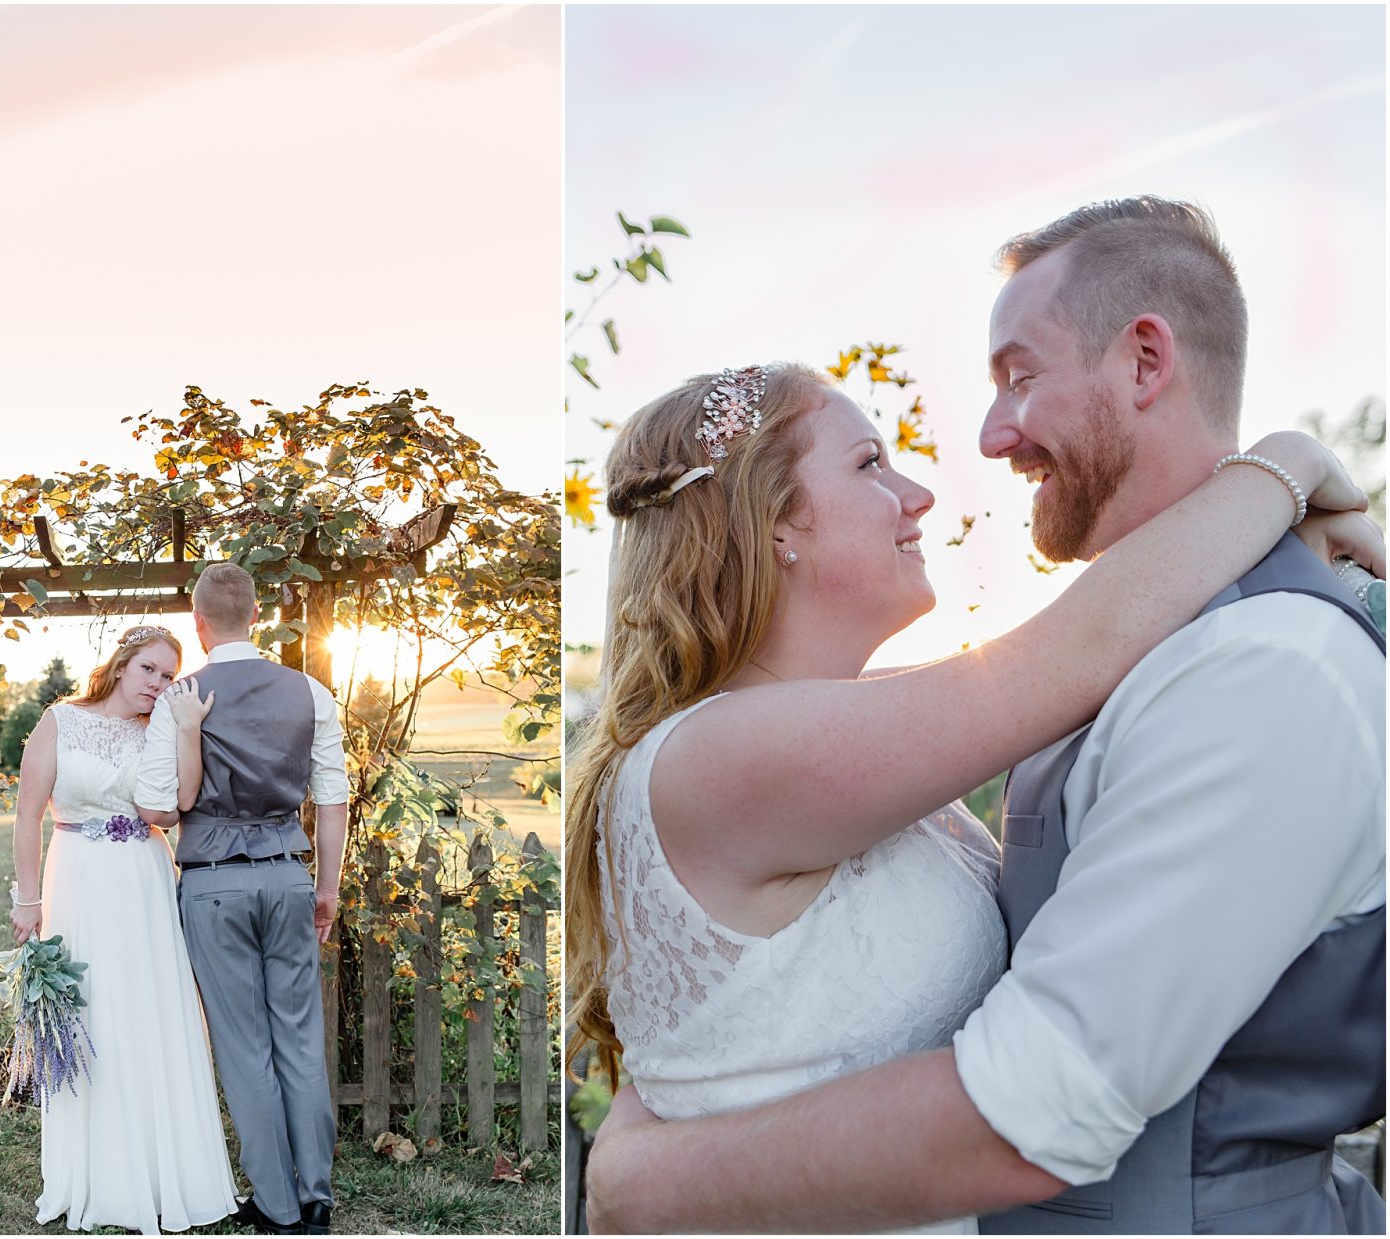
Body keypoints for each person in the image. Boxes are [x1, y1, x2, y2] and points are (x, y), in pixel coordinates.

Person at [576, 198, 1385, 1233]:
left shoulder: (1255, 664)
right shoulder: (726, 755)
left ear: (1145, 363)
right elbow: (1068, 651)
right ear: (770, 528)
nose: (927, 486)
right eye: (870, 465)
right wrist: (1283, 466)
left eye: (1019, 376)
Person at [135, 562, 350, 1238]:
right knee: (299, 1037)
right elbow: (333, 796)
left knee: (243, 1043)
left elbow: (160, 806)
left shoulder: (182, 697)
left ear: (197, 623)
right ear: (256, 615)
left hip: (213, 882)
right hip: (288, 873)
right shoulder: (311, 691)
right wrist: (327, 887)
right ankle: (316, 1196)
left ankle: (279, 1208)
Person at [11, 624, 239, 1235]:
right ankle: (100, 1175)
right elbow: (29, 812)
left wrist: (187, 730)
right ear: (120, 665)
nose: (157, 685)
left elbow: (172, 808)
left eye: (168, 677)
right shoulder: (61, 719)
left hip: (144, 877)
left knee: (151, 1011)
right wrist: (27, 901)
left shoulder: (163, 728)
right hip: (78, 878)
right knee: (95, 1013)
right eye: (148, 671)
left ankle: (168, 1172)